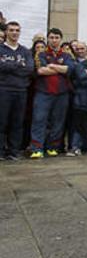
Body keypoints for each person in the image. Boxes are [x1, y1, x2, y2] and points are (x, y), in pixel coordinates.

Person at [30, 28, 74, 158]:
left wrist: (52, 66)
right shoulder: (41, 53)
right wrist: (60, 68)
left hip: (62, 93)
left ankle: (52, 147)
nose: (54, 40)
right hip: (44, 92)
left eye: (56, 38)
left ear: (60, 39)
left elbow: (70, 69)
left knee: (58, 121)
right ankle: (37, 148)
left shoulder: (67, 55)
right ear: (47, 39)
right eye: (51, 37)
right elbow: (41, 71)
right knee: (39, 119)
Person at [0, 21, 34, 160]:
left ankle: (14, 151)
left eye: (17, 30)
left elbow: (29, 69)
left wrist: (9, 66)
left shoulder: (25, 51)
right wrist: (18, 65)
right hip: (3, 89)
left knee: (17, 122)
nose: (14, 33)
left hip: (20, 90)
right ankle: (1, 151)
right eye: (12, 30)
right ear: (6, 32)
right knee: (1, 121)